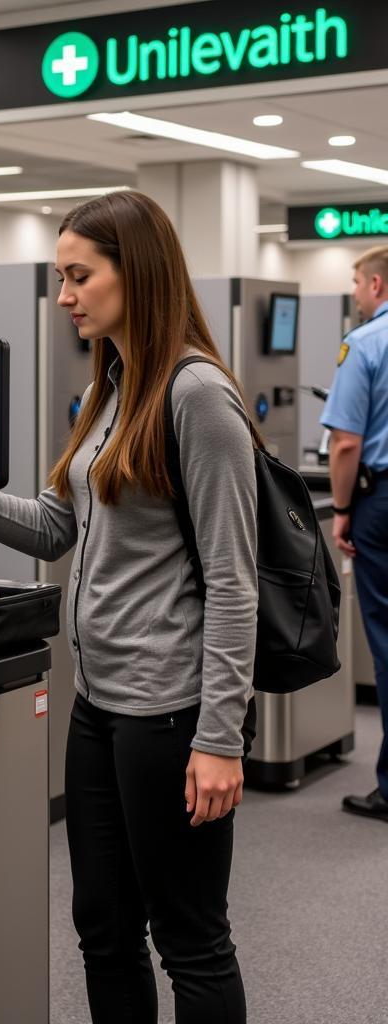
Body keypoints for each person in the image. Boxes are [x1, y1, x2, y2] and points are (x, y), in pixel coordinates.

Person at [0, 190, 257, 1023]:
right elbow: (54, 530)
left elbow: (233, 579)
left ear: (137, 274)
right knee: (103, 930)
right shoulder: (112, 389)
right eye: (61, 277)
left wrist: (221, 736)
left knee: (190, 939)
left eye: (80, 276)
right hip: (100, 708)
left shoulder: (197, 395)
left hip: (170, 713)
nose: (66, 296)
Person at [322, 244, 388, 823]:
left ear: (376, 285)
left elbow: (346, 442)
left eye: (354, 281)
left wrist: (342, 509)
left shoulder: (365, 343)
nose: (352, 292)